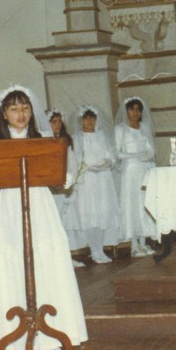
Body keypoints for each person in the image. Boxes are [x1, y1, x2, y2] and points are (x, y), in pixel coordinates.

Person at [0, 85, 88, 350]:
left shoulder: (43, 140)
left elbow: (61, 170)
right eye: (14, 109)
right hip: (11, 206)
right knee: (16, 259)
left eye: (25, 108)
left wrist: (66, 177)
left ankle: (52, 333)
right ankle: (19, 336)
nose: (21, 114)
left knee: (44, 257)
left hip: (38, 203)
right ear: (3, 114)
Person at [68, 105, 120, 264]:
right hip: (87, 180)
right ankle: (94, 250)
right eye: (86, 118)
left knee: (102, 212)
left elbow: (110, 155)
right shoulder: (77, 137)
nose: (89, 121)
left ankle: (100, 249)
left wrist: (107, 163)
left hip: (102, 178)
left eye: (92, 118)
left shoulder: (102, 136)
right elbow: (75, 159)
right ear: (81, 120)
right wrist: (87, 167)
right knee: (91, 214)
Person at [114, 96, 156, 257]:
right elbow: (116, 152)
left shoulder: (144, 127)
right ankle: (133, 245)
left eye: (138, 109)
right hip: (130, 171)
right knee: (131, 205)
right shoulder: (120, 129)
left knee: (143, 204)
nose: (136, 113)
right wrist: (134, 155)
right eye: (132, 109)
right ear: (126, 111)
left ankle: (144, 243)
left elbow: (150, 149)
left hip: (143, 169)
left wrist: (146, 155)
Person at [46, 109, 86, 268]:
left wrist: (68, 178)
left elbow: (72, 162)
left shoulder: (65, 140)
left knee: (64, 224)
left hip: (63, 186)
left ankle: (65, 257)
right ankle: (52, 260)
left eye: (59, 121)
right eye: (53, 122)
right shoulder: (42, 140)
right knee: (52, 223)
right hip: (49, 188)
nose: (57, 125)